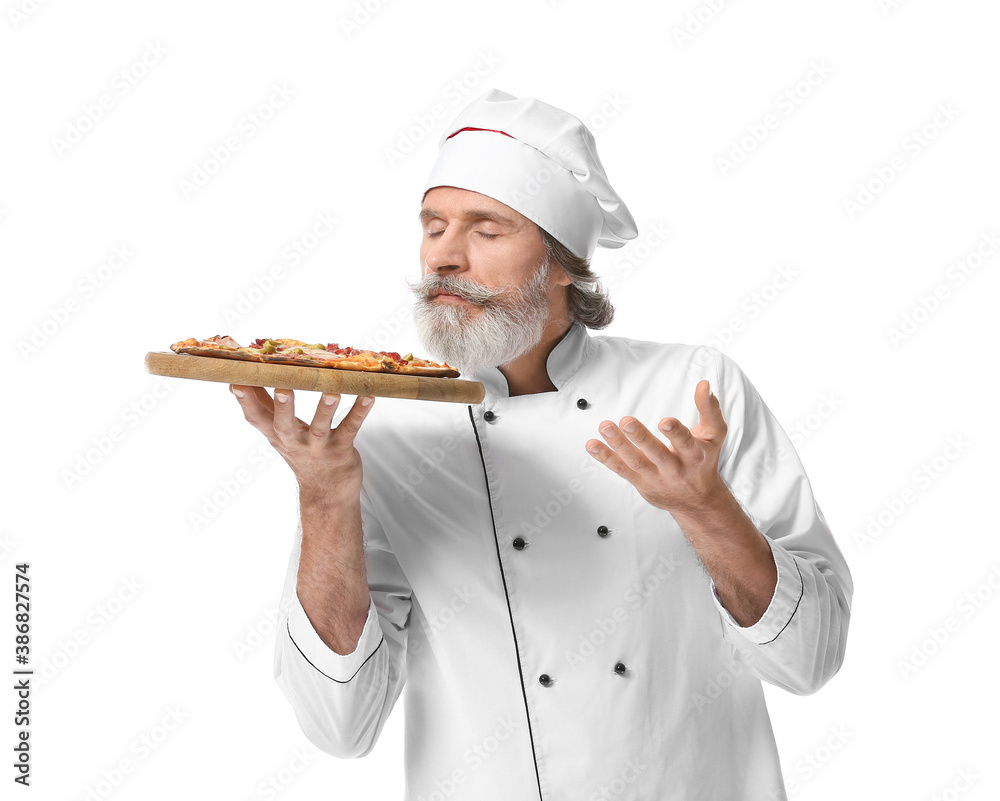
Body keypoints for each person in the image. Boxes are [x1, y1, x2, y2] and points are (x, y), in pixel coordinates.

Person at [230, 88, 852, 800]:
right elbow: (339, 723)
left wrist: (708, 510)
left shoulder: (694, 389)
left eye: (487, 231)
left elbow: (812, 658)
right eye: (433, 227)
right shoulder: (392, 428)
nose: (447, 257)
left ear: (562, 263)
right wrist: (325, 498)